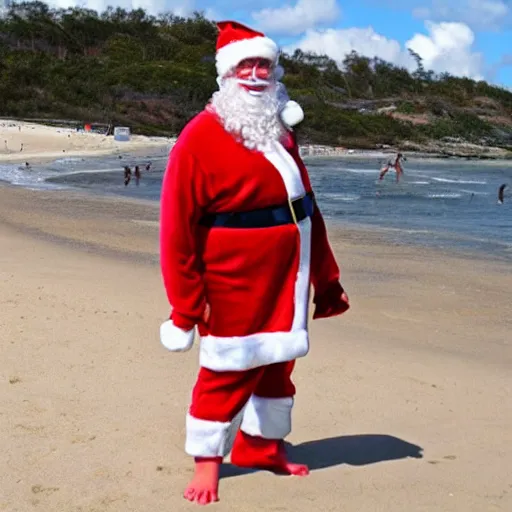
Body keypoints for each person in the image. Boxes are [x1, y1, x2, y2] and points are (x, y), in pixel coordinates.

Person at [159, 20, 350, 506]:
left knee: (276, 368)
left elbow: (305, 206)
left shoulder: (280, 131)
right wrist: (185, 306)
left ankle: (262, 446)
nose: (256, 72)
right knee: (227, 371)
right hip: (231, 282)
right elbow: (176, 229)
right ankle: (208, 463)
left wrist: (327, 279)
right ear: (226, 73)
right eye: (246, 64)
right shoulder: (199, 136)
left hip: (290, 278)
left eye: (264, 63)